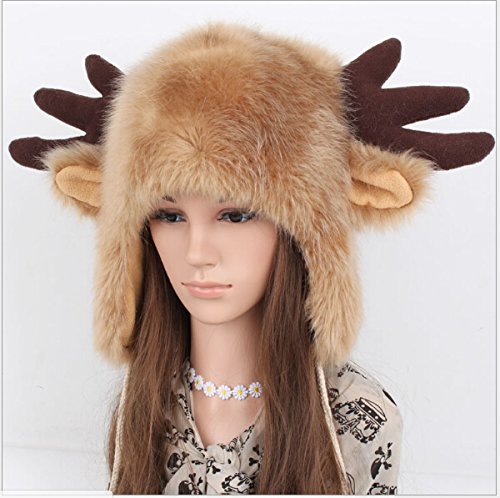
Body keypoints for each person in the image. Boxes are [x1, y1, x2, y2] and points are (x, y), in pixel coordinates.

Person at [8, 22, 494, 495]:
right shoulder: (146, 409)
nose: (197, 252)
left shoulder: (355, 422)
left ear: (303, 235)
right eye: (169, 216)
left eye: (236, 215)